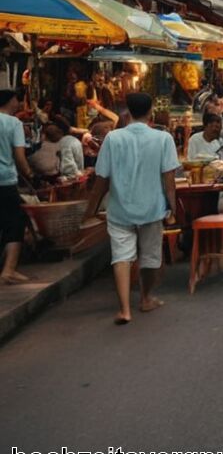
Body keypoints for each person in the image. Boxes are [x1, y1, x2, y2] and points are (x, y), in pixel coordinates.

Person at [82, 92, 179, 324]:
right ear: (151, 111)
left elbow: (101, 181)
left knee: (121, 257)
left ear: (127, 110)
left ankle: (124, 309)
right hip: (152, 208)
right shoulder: (163, 139)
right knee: (150, 256)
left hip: (120, 208)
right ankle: (146, 299)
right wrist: (173, 209)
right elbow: (169, 181)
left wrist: (90, 210)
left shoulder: (113, 139)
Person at [0, 89, 34, 284]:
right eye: (17, 100)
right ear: (9, 101)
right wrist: (29, 174)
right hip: (5, 180)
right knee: (15, 223)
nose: (19, 104)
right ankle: (9, 270)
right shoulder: (13, 123)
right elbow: (20, 157)